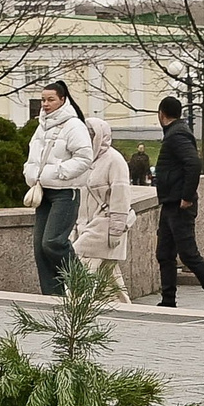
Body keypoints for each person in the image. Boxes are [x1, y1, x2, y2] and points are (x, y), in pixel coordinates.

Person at [152, 96, 204, 312]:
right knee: (164, 253)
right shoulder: (176, 133)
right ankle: (168, 299)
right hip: (170, 203)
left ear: (161, 114)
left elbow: (193, 164)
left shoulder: (176, 135)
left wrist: (186, 196)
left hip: (179, 205)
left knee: (188, 253)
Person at [21, 80, 94, 295]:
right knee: (40, 248)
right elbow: (33, 156)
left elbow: (84, 158)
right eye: (43, 99)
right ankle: (52, 296)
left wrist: (59, 172)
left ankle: (82, 283)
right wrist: (30, 173)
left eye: (50, 99)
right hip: (42, 192)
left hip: (65, 192)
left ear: (63, 100)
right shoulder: (41, 126)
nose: (45, 104)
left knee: (53, 242)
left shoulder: (73, 125)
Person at [70, 117, 135, 301]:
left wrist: (115, 231)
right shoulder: (83, 161)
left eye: (90, 134)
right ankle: (123, 308)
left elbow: (121, 197)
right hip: (87, 226)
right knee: (109, 279)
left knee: (80, 263)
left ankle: (76, 306)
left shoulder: (115, 160)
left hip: (104, 226)